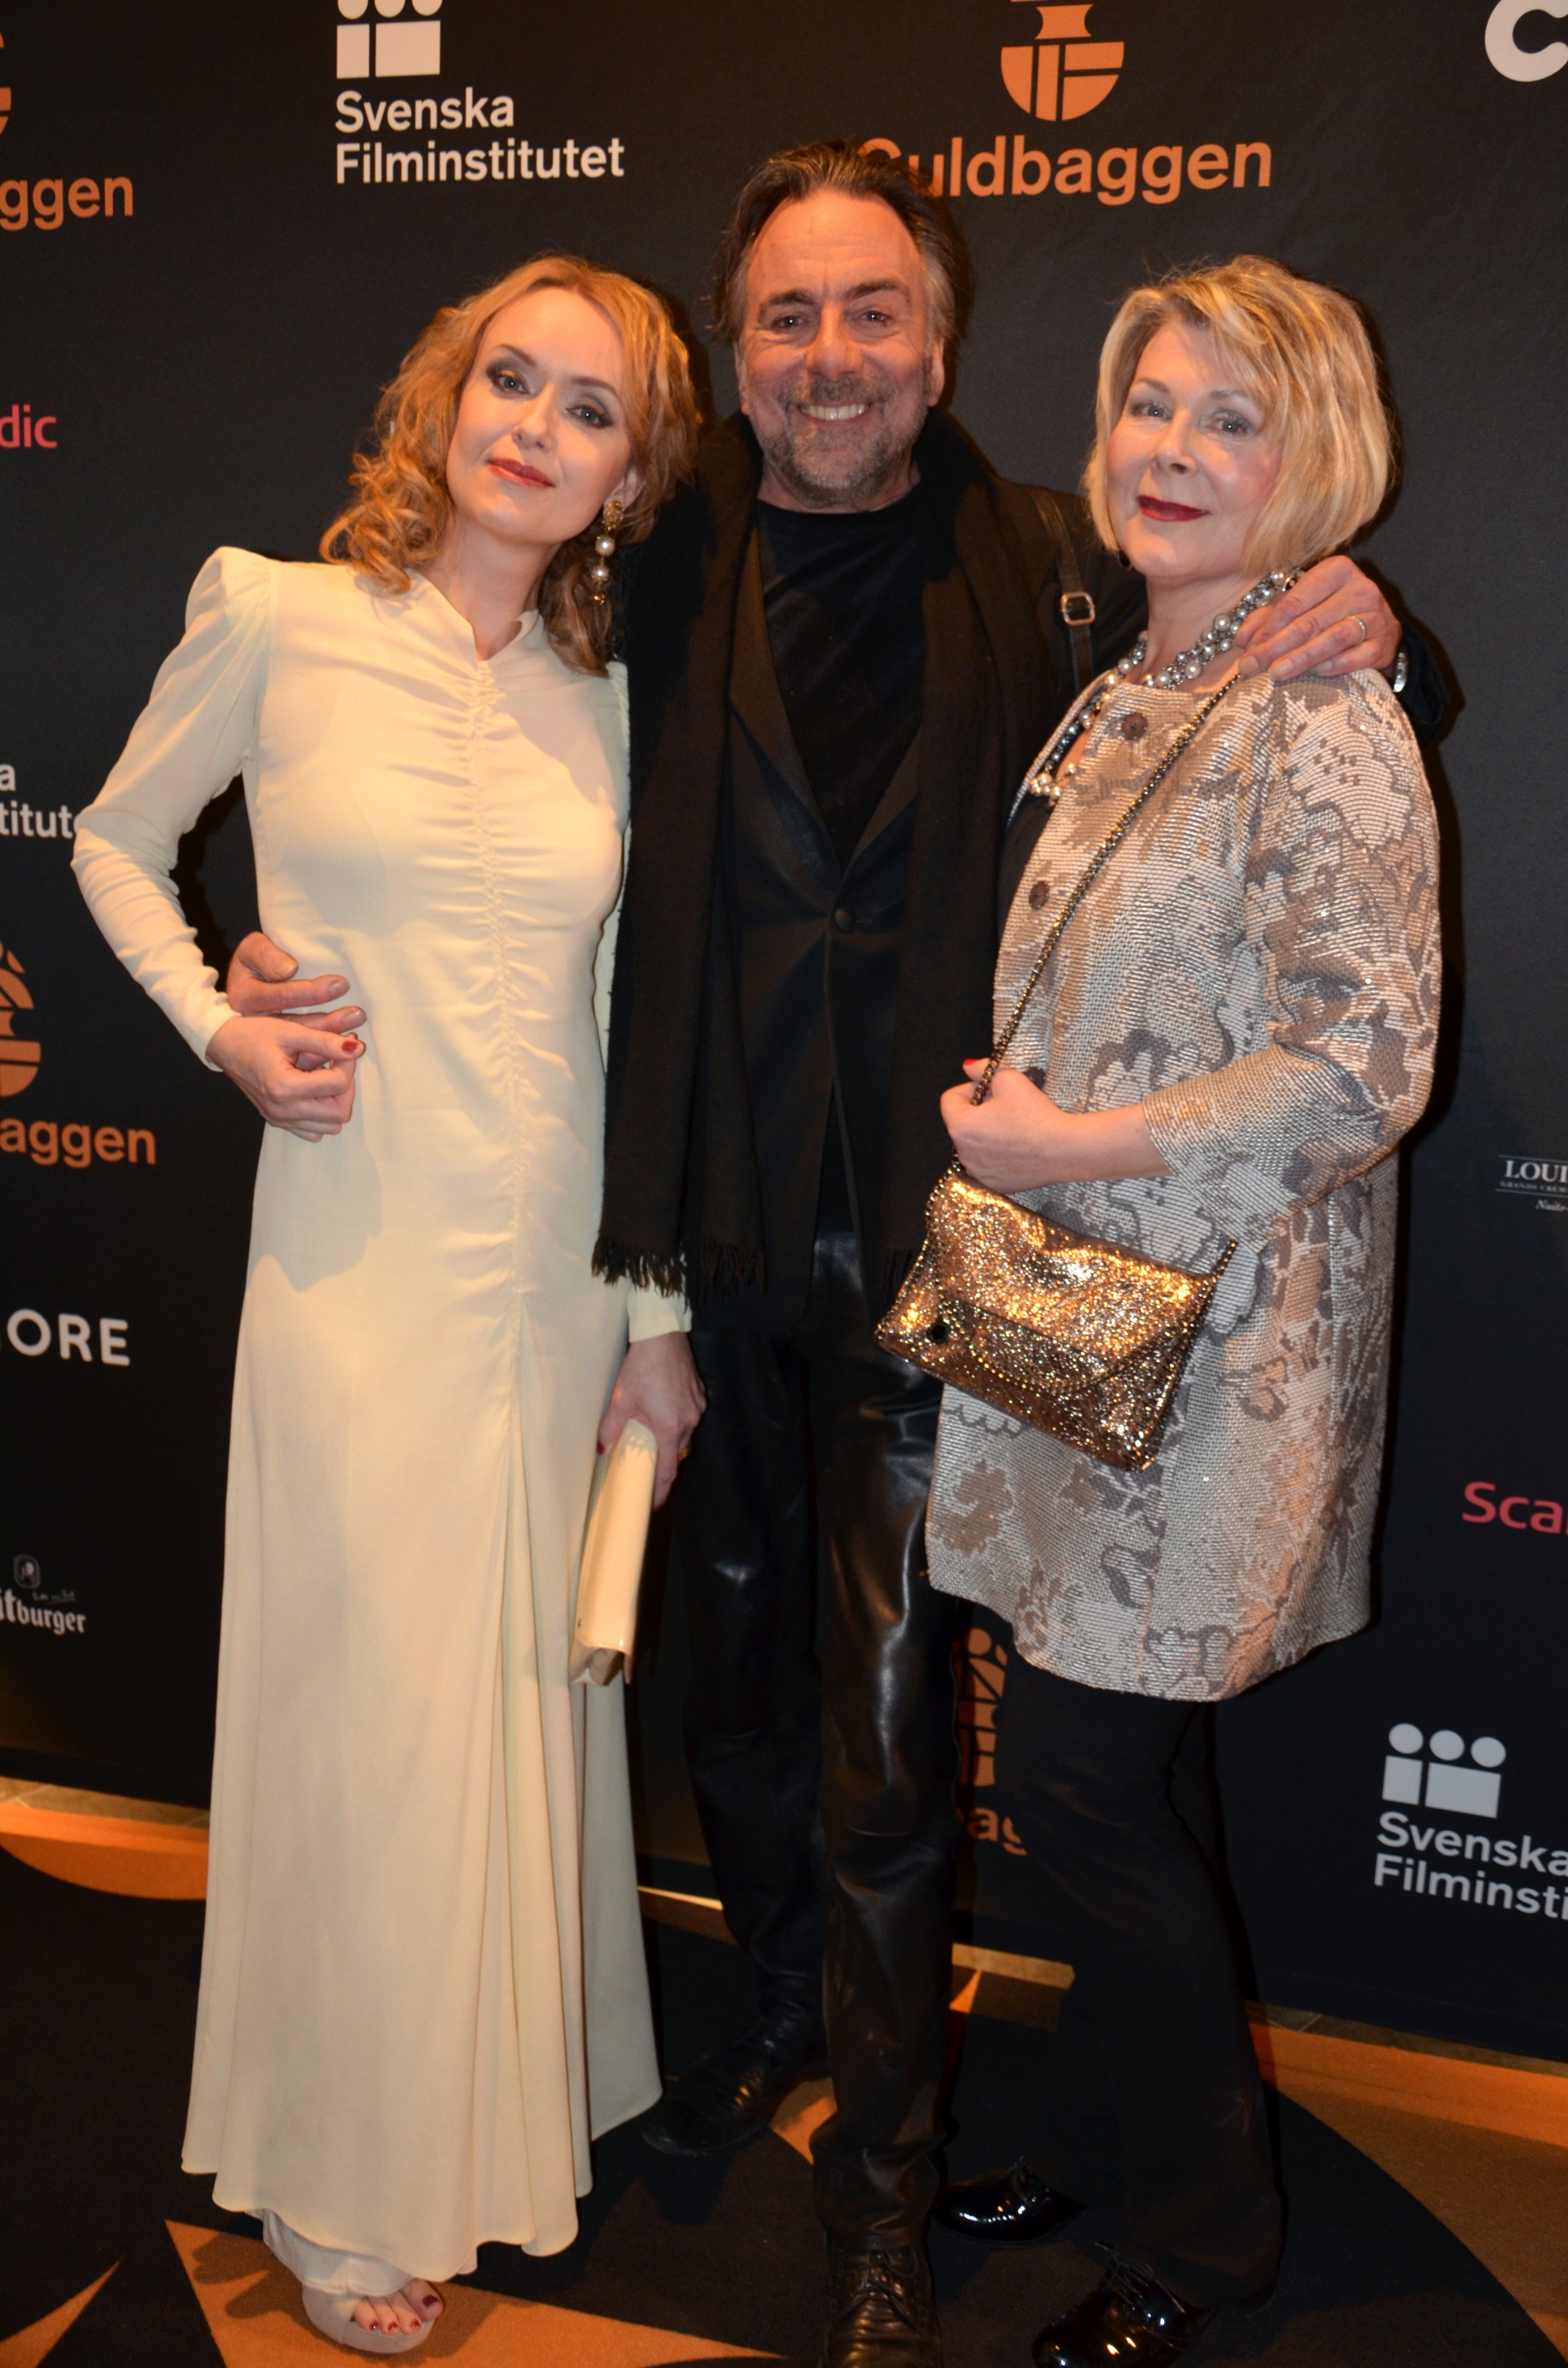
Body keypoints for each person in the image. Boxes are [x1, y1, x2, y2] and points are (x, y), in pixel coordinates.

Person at [586, 147, 1445, 2368]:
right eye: (789, 314)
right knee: (766, 1699)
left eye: (874, 310)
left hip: (986, 1278)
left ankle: (892, 2191)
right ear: (732, 349)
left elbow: (1308, 705)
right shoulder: (657, 558)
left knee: (926, 1746)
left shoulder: (1052, 561)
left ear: (943, 343)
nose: (834, 355)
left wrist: (1389, 620)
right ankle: (800, 2028)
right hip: (729, 1238)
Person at [72, 255, 705, 2355]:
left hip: (553, 1281)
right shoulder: (278, 612)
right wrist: (221, 1027)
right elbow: (113, 842)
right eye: (511, 378)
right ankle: (341, 2178)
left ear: (631, 475)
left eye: (591, 409)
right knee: (370, 1718)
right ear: (444, 396)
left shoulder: (613, 695)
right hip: (352, 1255)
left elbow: (621, 1024)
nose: (538, 426)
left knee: (513, 1704)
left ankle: (491, 2112)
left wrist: (653, 1317)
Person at [925, 254, 1439, 2366]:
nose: (1174, 447)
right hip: (1075, 1321)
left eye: (1235, 417)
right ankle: (1122, 2137)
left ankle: (1210, 2236)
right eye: (1153, 400)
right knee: (1117, 1766)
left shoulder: (1325, 712)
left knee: (1078, 1777)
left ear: (1315, 456)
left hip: (1216, 1348)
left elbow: (1365, 1064)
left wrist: (1078, 1144)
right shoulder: (1133, 677)